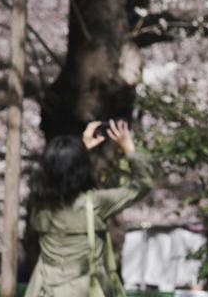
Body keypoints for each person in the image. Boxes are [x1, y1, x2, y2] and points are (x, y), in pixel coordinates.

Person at [24, 120, 153, 297]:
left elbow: (60, 172)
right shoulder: (95, 203)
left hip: (46, 290)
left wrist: (78, 151)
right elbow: (141, 185)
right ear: (83, 168)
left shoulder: (38, 205)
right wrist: (129, 149)